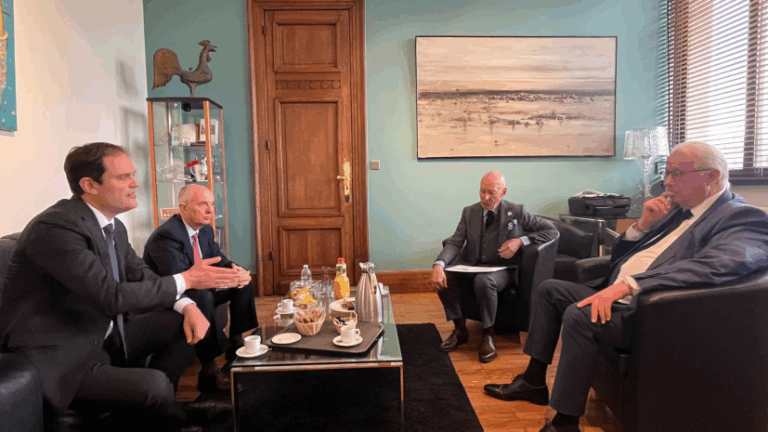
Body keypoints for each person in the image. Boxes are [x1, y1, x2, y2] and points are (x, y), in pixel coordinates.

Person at [483, 142, 768, 432]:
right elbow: (619, 258)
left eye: (678, 174)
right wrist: (642, 225)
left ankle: (564, 423)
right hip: (620, 295)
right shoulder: (678, 210)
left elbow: (718, 264)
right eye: (667, 173)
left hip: (652, 311)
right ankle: (533, 382)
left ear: (712, 176)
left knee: (580, 314)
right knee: (550, 290)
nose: (668, 182)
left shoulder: (742, 217)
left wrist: (630, 285)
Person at [0, 143, 243, 432]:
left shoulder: (113, 227)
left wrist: (187, 304)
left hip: (103, 335)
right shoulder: (56, 228)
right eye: (123, 177)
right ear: (89, 185)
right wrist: (188, 280)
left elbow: (141, 274)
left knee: (189, 313)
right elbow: (110, 297)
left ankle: (158, 403)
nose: (135, 183)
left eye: (133, 175)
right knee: (153, 385)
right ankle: (175, 416)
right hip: (63, 355)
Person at [432, 171, 558, 363]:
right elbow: (455, 242)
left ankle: (488, 335)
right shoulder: (469, 212)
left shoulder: (516, 211)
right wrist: (439, 265)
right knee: (444, 277)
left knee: (484, 282)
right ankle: (460, 329)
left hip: (503, 269)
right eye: (482, 191)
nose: (485, 197)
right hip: (472, 265)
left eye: (491, 193)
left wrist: (521, 241)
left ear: (503, 192)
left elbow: (551, 230)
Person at [144, 184, 257, 392]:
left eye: (212, 204)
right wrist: (215, 279)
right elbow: (177, 279)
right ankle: (208, 370)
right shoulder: (166, 236)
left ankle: (236, 344)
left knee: (243, 282)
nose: (210, 210)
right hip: (173, 295)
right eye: (203, 204)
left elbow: (218, 258)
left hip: (201, 286)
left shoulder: (205, 230)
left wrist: (236, 271)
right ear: (183, 207)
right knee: (202, 296)